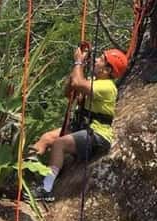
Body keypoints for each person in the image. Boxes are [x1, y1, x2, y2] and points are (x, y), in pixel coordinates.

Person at [28, 46, 127, 202]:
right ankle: (27, 172)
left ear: (108, 70)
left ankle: (46, 189)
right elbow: (69, 92)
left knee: (59, 144)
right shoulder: (94, 82)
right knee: (47, 138)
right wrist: (78, 69)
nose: (96, 60)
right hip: (83, 128)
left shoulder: (107, 87)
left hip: (97, 135)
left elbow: (77, 82)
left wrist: (78, 62)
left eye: (101, 59)